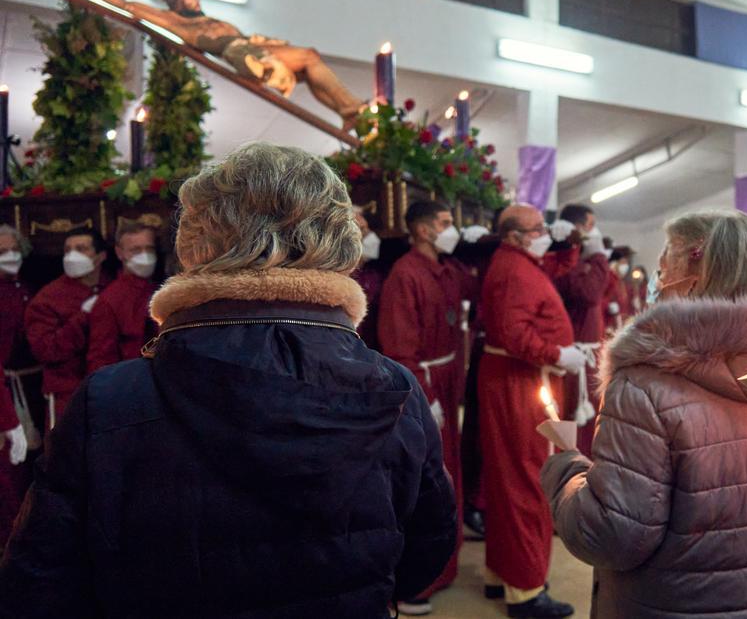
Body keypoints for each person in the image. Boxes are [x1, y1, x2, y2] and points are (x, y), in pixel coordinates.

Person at [0, 143, 456, 617]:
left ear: (196, 243)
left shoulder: (110, 398)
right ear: (339, 243)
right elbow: (424, 554)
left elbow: (39, 578)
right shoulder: (392, 387)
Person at [541, 209, 747, 617]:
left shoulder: (644, 387)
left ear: (693, 281)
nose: (657, 286)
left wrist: (566, 473)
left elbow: (611, 537)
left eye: (662, 273)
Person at [49, 0, 365, 128]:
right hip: (237, 54)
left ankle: (349, 111)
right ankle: (268, 71)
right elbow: (126, 4)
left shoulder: (210, 17)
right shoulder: (174, 21)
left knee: (309, 58)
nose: (195, 0)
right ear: (176, 0)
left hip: (253, 45)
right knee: (254, 58)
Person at [478, 204, 583, 618]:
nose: (544, 233)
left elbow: (556, 268)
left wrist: (571, 242)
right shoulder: (514, 270)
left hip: (517, 379)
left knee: (510, 479)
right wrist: (559, 353)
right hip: (518, 382)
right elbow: (514, 332)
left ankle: (502, 574)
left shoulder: (518, 262)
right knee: (527, 479)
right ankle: (525, 589)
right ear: (512, 236)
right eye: (536, 228)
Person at [378, 199, 477, 616]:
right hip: (426, 384)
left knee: (450, 471)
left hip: (448, 376)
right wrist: (425, 396)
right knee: (428, 477)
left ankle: (445, 564)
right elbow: (400, 344)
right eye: (444, 222)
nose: (451, 228)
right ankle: (419, 576)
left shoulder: (446, 268)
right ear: (421, 230)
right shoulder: (406, 274)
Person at [24, 227, 109, 431]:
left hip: (109, 389)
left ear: (100, 256)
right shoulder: (47, 298)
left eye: (81, 248)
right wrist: (83, 317)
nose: (72, 255)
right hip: (67, 394)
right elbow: (45, 350)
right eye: (67, 250)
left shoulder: (112, 287)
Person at [549, 203, 609, 456]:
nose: (594, 232)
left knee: (592, 417)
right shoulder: (562, 259)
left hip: (588, 348)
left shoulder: (583, 260)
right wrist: (597, 257)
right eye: (589, 226)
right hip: (574, 352)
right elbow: (590, 293)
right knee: (574, 417)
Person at [86, 222, 160, 374]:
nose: (144, 255)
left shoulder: (163, 290)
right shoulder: (110, 300)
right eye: (136, 250)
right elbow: (101, 359)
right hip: (131, 382)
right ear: (119, 253)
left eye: (149, 248)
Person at [0, 225, 33, 550]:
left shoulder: (23, 286)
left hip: (25, 383)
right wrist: (9, 421)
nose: (9, 256)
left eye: (12, 249)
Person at [350, 206, 386, 350]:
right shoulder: (336, 277)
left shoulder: (373, 274)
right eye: (363, 230)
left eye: (368, 229)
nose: (371, 236)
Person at [602, 246, 633, 336]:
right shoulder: (608, 280)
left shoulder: (621, 282)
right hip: (608, 325)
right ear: (614, 264)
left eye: (626, 263)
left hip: (620, 325)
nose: (625, 266)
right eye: (622, 263)